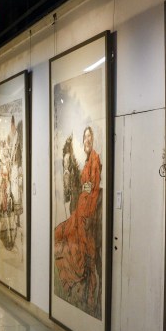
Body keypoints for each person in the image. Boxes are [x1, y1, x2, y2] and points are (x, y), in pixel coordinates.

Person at [54, 126, 102, 311]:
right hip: (81, 207)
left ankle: (80, 284)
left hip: (85, 211)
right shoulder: (88, 160)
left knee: (64, 235)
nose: (87, 140)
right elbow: (86, 186)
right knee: (59, 232)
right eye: (85, 137)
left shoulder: (95, 159)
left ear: (93, 139)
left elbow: (93, 188)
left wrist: (87, 214)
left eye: (90, 136)